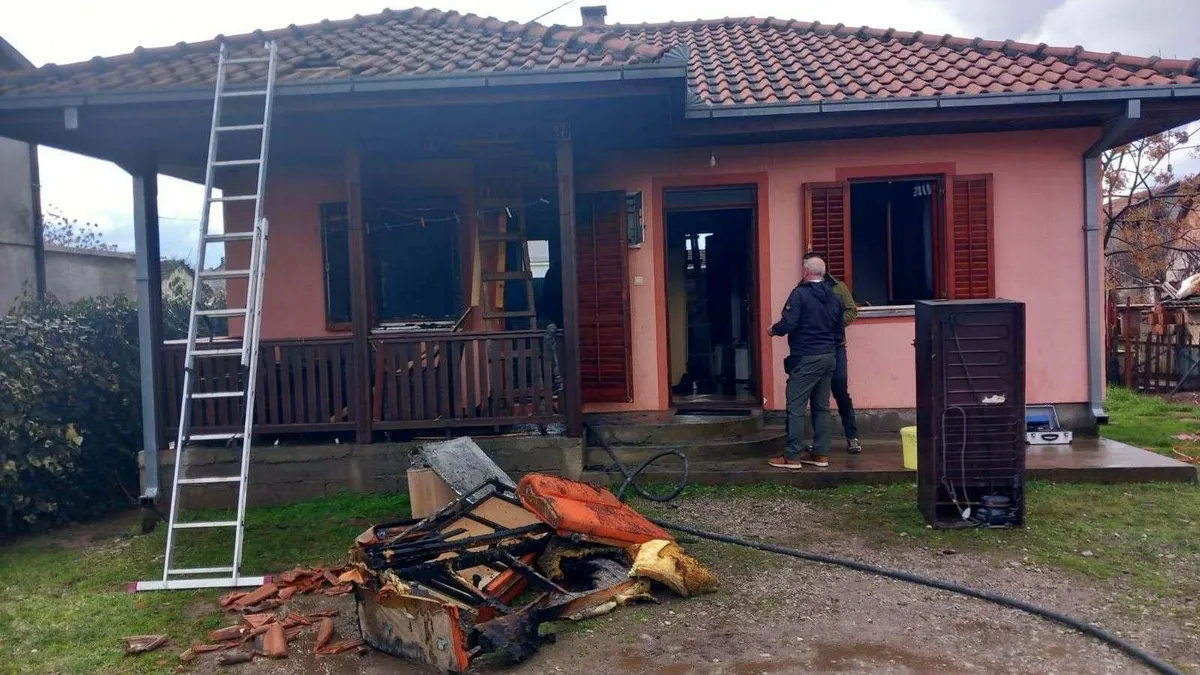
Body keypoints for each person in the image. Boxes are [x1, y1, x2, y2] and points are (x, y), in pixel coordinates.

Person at [766, 255, 843, 470]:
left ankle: (792, 456)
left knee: (796, 406)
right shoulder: (835, 297)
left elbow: (789, 323)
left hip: (807, 356)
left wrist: (773, 330)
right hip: (829, 356)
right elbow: (839, 328)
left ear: (806, 273)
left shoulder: (800, 295)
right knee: (821, 407)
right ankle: (820, 454)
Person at [803, 251, 862, 454]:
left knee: (840, 391)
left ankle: (852, 436)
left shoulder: (838, 287)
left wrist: (833, 326)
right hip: (814, 349)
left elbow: (851, 310)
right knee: (817, 396)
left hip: (835, 346)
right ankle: (819, 443)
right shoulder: (803, 289)